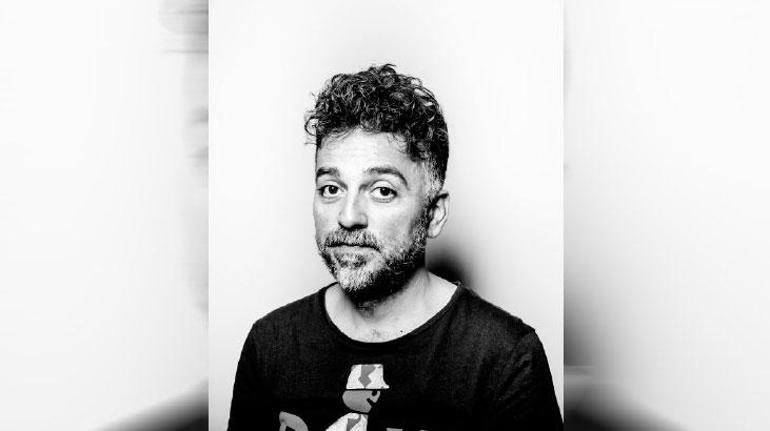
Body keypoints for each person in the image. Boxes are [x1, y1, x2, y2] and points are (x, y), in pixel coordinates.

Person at [227, 64, 562, 430]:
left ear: (434, 214)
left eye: (382, 191)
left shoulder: (504, 356)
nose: (348, 216)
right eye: (331, 189)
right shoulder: (270, 344)